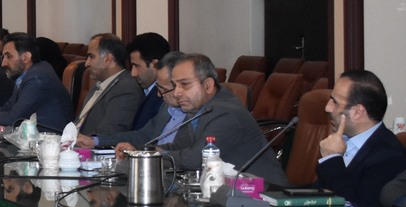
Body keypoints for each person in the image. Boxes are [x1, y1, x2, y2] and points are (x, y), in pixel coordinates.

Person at [116, 53, 287, 184]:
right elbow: (179, 145)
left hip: (265, 198)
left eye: (185, 84)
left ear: (208, 85)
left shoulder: (225, 113)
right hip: (227, 192)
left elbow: (196, 159)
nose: (177, 93)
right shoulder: (199, 109)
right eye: (175, 85)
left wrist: (152, 157)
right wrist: (139, 151)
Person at [315, 70, 406, 207]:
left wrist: (332, 159)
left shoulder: (388, 155)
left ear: (357, 112)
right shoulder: (342, 141)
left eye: (335, 102)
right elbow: (316, 193)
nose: (327, 107)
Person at [86, 52, 186, 149]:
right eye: (159, 88)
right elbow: (142, 136)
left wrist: (148, 151)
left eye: (164, 89)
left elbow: (184, 154)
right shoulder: (166, 108)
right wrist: (95, 141)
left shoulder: (193, 117)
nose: (159, 95)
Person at [0, 32, 74, 132]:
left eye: (9, 56)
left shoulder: (39, 77)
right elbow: (8, 107)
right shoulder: (26, 74)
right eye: (3, 57)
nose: (3, 63)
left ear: (26, 57)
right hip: (34, 136)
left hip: (54, 138)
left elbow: (14, 118)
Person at [75, 33, 144, 137]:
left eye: (91, 57)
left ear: (108, 59)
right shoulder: (99, 84)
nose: (87, 63)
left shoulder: (126, 89)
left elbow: (109, 133)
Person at [125, 32, 171, 130]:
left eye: (136, 66)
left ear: (155, 65)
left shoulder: (165, 96)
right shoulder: (143, 91)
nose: (133, 73)